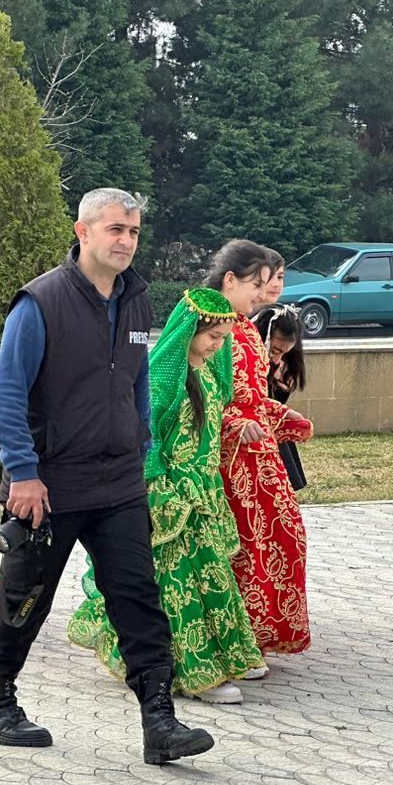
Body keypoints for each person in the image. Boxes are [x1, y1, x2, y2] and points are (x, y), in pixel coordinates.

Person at [0, 188, 214, 765]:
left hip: (120, 482)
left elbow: (135, 383)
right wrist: (23, 475)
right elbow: (4, 393)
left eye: (133, 231)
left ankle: (161, 723)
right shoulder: (41, 302)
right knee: (26, 597)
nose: (126, 241)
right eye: (114, 230)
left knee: (138, 597)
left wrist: (143, 446)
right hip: (50, 485)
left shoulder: (136, 302)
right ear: (82, 232)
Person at [68, 289, 266, 705]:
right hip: (171, 493)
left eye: (224, 339)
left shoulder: (210, 374)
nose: (218, 346)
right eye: (212, 337)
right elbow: (145, 432)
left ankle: (226, 655)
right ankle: (192, 672)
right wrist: (161, 485)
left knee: (212, 574)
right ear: (189, 330)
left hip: (203, 490)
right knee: (177, 582)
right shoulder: (164, 375)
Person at [206, 240, 314, 662]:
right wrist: (233, 423)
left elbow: (250, 394)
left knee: (284, 536)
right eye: (258, 283)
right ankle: (234, 641)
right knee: (243, 545)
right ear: (230, 280)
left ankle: (260, 632)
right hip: (224, 459)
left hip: (259, 454)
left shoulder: (247, 327)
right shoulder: (208, 323)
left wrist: (282, 417)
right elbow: (193, 391)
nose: (263, 294)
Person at [252, 304, 308, 491]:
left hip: (272, 429)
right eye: (275, 350)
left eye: (284, 353)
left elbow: (277, 403)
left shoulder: (282, 365)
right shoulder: (246, 352)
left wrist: (280, 387)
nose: (277, 358)